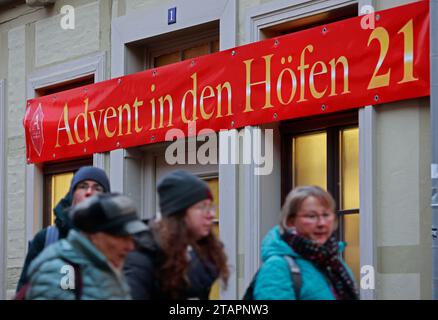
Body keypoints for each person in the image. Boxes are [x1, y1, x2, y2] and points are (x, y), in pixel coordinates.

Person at [123, 170, 229, 299]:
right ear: (179, 213)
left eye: (211, 206)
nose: (211, 214)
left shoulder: (201, 252)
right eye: (202, 207)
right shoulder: (140, 258)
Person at [24, 193, 147, 300]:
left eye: (131, 237)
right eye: (122, 237)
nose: (130, 246)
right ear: (94, 234)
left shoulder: (107, 265)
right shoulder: (57, 270)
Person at [253, 186, 359, 300]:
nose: (321, 223)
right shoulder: (277, 267)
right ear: (291, 221)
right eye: (311, 216)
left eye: (326, 215)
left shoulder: (335, 263)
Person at [16, 166, 111, 291]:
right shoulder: (46, 239)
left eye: (97, 188)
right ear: (72, 195)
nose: (89, 192)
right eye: (83, 186)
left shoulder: (116, 243)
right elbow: (25, 291)